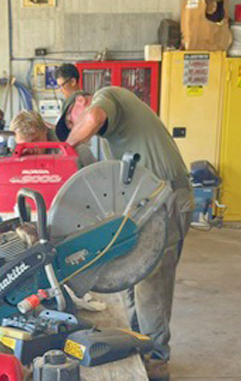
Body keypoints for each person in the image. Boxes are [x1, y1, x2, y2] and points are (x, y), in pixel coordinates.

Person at [55, 87, 192, 381]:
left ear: (80, 101)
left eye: (70, 121)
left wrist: (65, 147)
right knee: (130, 278)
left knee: (151, 284)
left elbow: (91, 118)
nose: (74, 129)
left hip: (164, 198)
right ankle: (138, 346)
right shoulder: (108, 140)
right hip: (145, 206)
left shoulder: (108, 96)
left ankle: (157, 359)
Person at [9, 109, 95, 166]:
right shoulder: (10, 153)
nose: (30, 149)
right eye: (24, 145)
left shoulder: (76, 150)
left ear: (45, 131)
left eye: (34, 141)